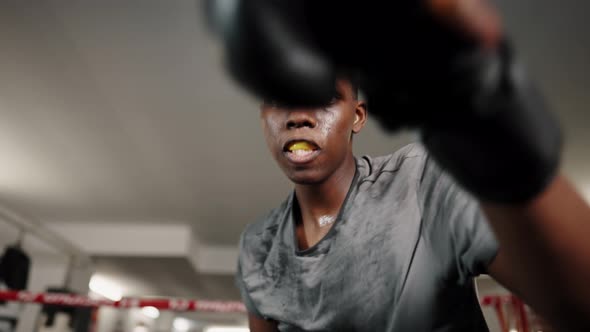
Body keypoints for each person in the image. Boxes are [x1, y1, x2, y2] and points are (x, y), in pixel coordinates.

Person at [205, 0, 590, 331]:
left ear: (357, 117)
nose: (298, 117)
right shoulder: (257, 246)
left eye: (323, 97)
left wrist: (479, 108)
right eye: (279, 99)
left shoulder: (422, 183)